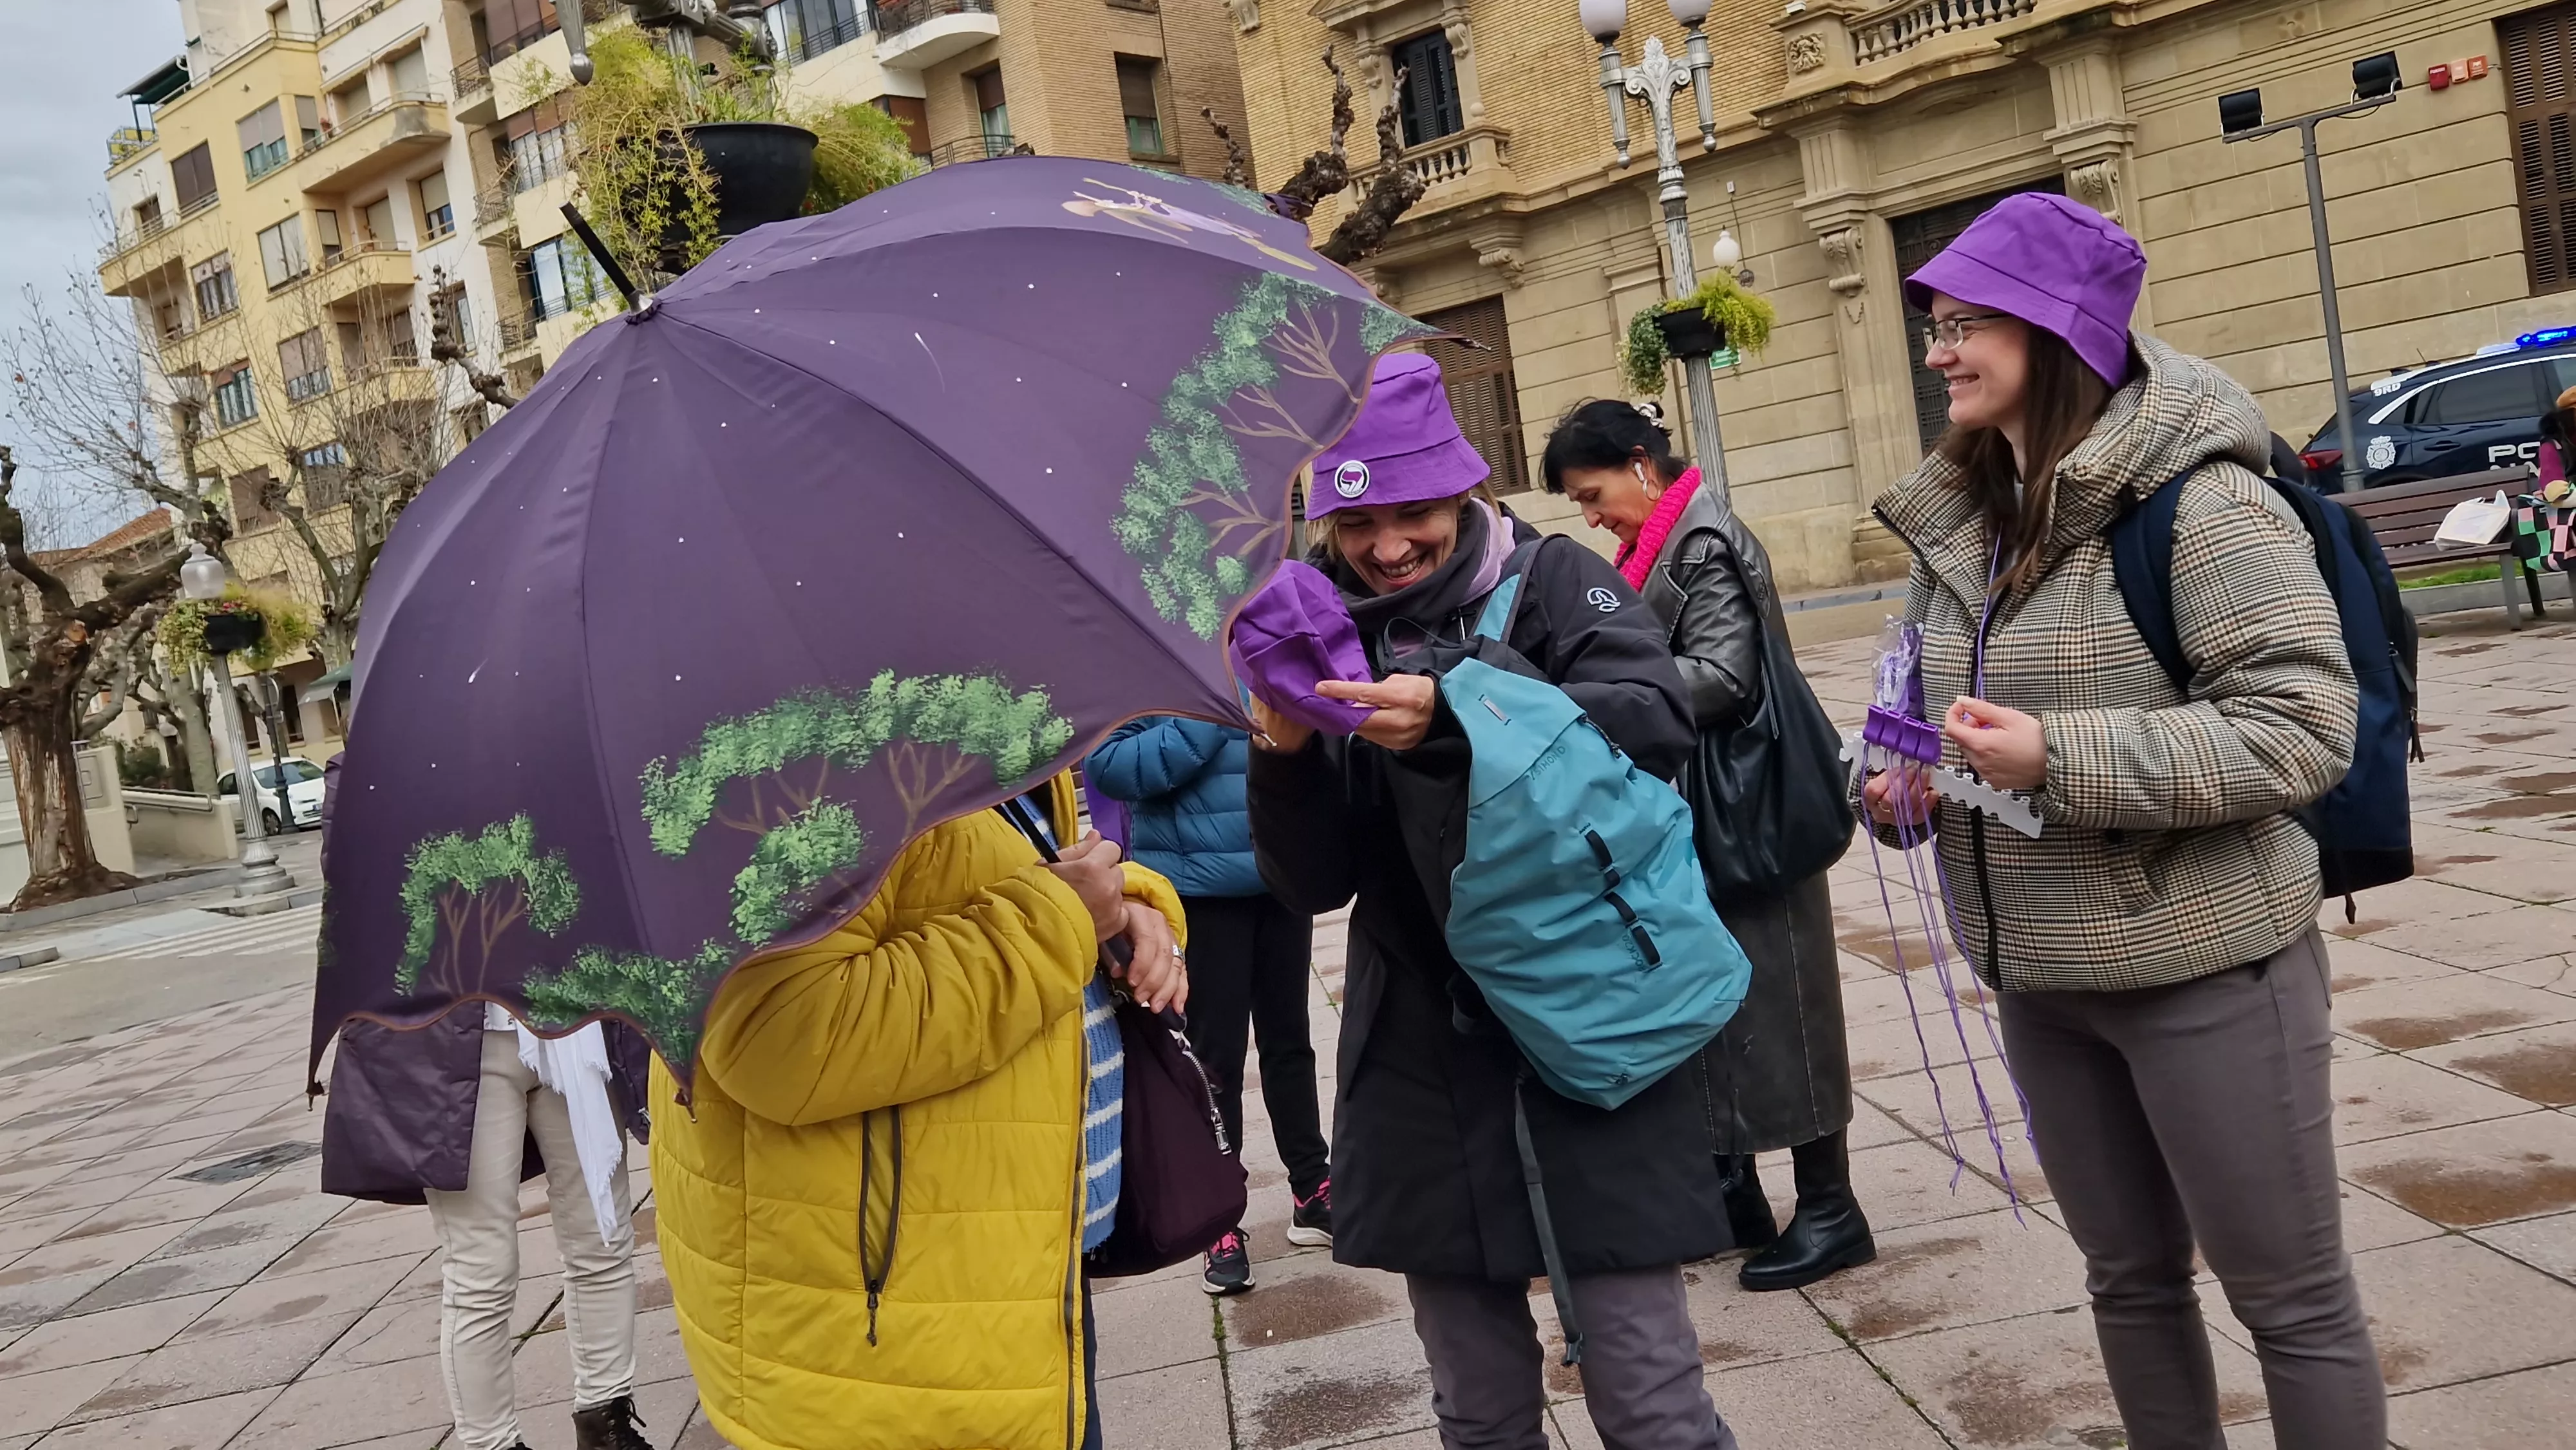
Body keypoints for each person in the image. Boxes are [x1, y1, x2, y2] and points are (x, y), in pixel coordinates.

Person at [1864, 192, 2377, 1450]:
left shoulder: (2199, 505)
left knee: (2288, 1302)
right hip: (2043, 979)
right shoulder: (1969, 529)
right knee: (2128, 1283)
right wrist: (1916, 786)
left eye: (1966, 324)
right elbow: (1976, 751)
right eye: (1933, 323)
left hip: (2208, 975)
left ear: (2055, 334)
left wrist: (2054, 756)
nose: (1937, 351)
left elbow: (2301, 727)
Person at [1245, 352, 1743, 1450]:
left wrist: (1464, 714)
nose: (1386, 549)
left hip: (1586, 1022)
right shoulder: (1324, 626)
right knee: (1476, 1406)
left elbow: (1654, 718)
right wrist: (1281, 755)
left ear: (1464, 491)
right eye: (1355, 524)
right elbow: (1314, 880)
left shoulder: (1557, 578)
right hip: (1421, 1044)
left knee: (1648, 1390)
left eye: (1415, 513)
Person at [649, 773, 1189, 1450]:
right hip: (882, 1327)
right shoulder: (796, 759)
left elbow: (990, 872)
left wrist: (1130, 901)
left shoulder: (950, 715)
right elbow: (785, 1037)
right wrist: (1061, 918)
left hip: (996, 1267)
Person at [1540, 400, 1871, 1293]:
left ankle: (1831, 1207)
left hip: (1752, 809)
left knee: (1785, 1007)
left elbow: (1725, 676)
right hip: (1711, 809)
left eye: (1592, 491)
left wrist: (1596, 693)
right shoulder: (1663, 542)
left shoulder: (1700, 543)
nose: (1591, 514)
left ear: (1641, 464)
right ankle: (1734, 1190)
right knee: (1720, 1004)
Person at [316, 756, 656, 1450]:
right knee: (482, 1265)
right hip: (455, 1045)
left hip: (575, 1027)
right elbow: (355, 879)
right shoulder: (375, 760)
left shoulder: (563, 738)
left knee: (603, 1236)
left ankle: (606, 1417)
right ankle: (490, 1440)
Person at [1085, 717, 1331, 1296]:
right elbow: (1110, 768)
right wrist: (1203, 721)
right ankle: (1220, 1221)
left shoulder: (1256, 648)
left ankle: (1314, 1192)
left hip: (1277, 876)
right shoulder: (1153, 663)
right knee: (1212, 1056)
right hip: (1197, 891)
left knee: (1291, 1043)